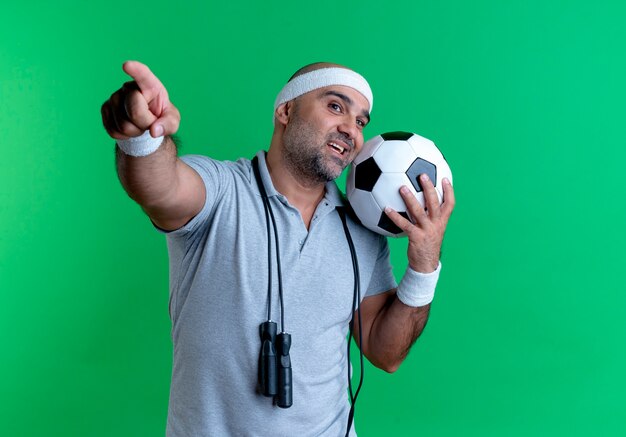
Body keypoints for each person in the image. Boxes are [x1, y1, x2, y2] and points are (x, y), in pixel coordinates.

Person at [101, 60, 455, 436]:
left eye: (360, 121)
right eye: (335, 106)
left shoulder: (364, 231)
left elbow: (386, 354)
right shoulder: (223, 191)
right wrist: (140, 133)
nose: (351, 129)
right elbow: (159, 186)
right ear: (285, 110)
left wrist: (423, 265)